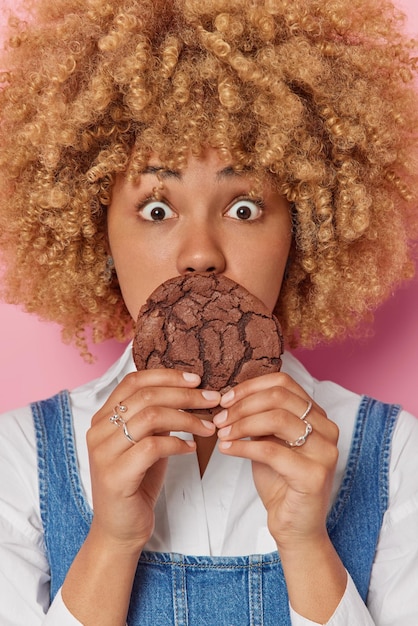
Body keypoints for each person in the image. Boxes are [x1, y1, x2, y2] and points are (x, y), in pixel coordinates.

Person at [0, 0, 418, 624]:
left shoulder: (394, 453)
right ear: (95, 228)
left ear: (305, 225)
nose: (200, 256)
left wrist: (306, 544)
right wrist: (111, 542)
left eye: (244, 207)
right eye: (157, 209)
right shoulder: (21, 454)